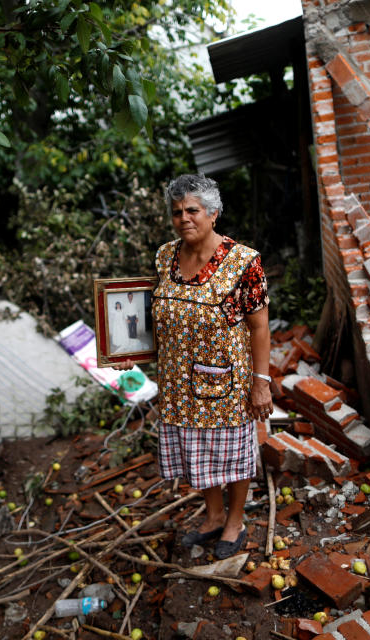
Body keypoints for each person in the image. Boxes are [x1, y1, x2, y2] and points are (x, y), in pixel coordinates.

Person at [117, 174, 271, 559]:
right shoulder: (165, 256)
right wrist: (125, 351)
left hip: (226, 383)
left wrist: (262, 382)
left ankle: (234, 521)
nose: (183, 218)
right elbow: (150, 315)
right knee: (195, 451)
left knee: (231, 456)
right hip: (177, 381)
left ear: (213, 214)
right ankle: (214, 515)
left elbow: (260, 326)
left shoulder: (244, 263)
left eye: (192, 210)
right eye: (176, 212)